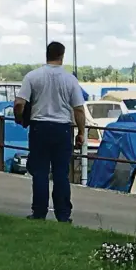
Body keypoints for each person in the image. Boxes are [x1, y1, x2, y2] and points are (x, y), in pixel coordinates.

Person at [13, 41, 86, 223]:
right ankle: (63, 214)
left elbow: (19, 103)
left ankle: (39, 212)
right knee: (61, 173)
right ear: (62, 55)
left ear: (47, 54)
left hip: (39, 128)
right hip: (62, 129)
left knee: (40, 172)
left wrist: (19, 118)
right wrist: (81, 133)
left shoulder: (33, 76)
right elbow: (78, 109)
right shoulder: (70, 79)